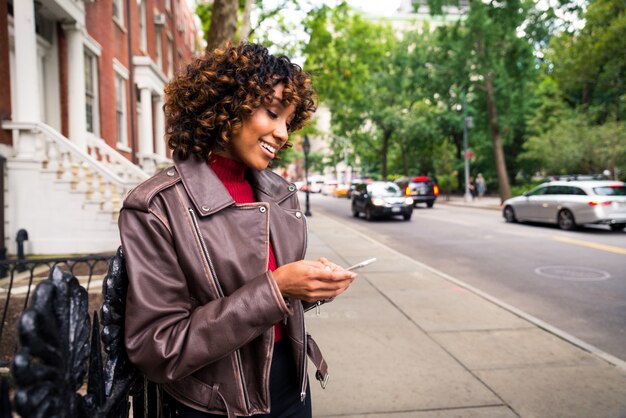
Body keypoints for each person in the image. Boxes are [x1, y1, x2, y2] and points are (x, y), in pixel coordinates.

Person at [118, 43, 358, 418]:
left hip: (291, 387)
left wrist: (309, 287)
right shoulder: (157, 207)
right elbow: (158, 347)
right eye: (272, 113)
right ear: (226, 105)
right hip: (216, 403)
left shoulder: (279, 194)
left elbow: (272, 302)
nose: (282, 133)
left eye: (288, 122)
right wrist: (277, 287)